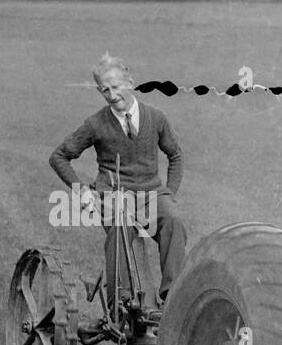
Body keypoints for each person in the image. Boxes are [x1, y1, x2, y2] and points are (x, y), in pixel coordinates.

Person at [49, 53, 186, 320]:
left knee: (173, 220)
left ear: (130, 82)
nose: (112, 95)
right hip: (113, 193)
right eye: (104, 90)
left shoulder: (156, 118)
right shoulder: (95, 124)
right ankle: (120, 304)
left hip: (151, 192)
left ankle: (173, 298)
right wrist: (81, 189)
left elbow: (176, 156)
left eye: (116, 87)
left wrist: (169, 193)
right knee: (120, 225)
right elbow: (59, 156)